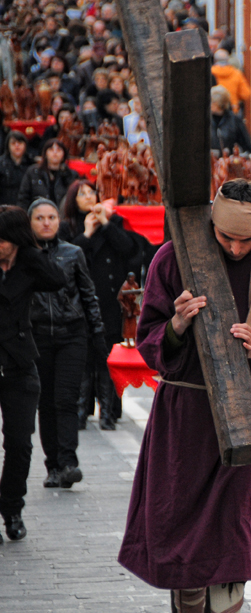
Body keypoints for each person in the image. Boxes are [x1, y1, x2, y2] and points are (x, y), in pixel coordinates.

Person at [118, 179, 251, 613]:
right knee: (180, 523)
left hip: (242, 412)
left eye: (247, 238)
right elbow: (149, 337)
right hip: (183, 413)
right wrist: (179, 324)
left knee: (229, 529)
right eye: (226, 238)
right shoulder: (172, 257)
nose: (237, 246)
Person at [0, 205, 66, 542]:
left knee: (20, 444)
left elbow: (57, 279)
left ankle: (11, 508)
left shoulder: (26, 263)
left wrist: (29, 250)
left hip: (19, 365)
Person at [27, 199, 104, 489]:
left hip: (71, 334)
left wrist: (98, 334)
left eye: (52, 217)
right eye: (40, 218)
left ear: (59, 221)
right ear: (30, 223)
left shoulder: (74, 253)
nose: (47, 222)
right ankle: (53, 466)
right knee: (45, 403)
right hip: (37, 337)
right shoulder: (24, 256)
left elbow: (88, 294)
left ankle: (69, 461)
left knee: (66, 399)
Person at [60, 180, 139, 430]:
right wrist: (86, 233)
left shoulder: (113, 223)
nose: (87, 197)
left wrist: (104, 223)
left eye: (90, 192)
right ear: (73, 199)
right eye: (81, 194)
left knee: (108, 355)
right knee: (84, 357)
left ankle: (109, 411)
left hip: (109, 299)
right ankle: (82, 410)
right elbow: (67, 259)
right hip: (80, 300)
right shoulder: (68, 226)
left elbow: (127, 250)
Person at [17, 138, 78, 210]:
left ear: (64, 154)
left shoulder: (71, 175)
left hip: (62, 215)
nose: (55, 153)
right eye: (51, 149)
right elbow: (23, 197)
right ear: (45, 153)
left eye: (59, 150)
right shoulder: (33, 172)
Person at [210, 85, 251, 156]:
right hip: (210, 163)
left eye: (212, 102)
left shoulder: (234, 121)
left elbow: (247, 147)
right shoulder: (205, 121)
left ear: (220, 104)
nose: (209, 105)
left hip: (229, 163)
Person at [211, 49, 250, 114]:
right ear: (228, 60)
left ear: (215, 60)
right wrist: (235, 98)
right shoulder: (236, 73)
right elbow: (246, 94)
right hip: (233, 109)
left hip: (214, 109)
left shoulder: (210, 73)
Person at [0, 132, 30, 207]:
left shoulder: (31, 164)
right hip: (4, 206)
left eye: (20, 142)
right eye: (13, 143)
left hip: (26, 206)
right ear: (8, 146)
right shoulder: (1, 164)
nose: (17, 146)